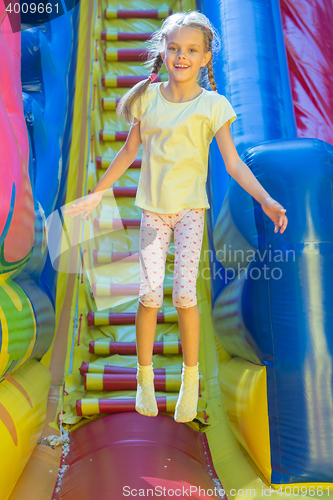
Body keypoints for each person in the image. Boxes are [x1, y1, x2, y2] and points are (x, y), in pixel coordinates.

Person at [63, 11, 288, 423]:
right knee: (149, 295)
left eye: (191, 50)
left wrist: (266, 199)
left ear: (206, 58)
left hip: (189, 213)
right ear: (163, 52)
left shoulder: (213, 106)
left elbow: (234, 164)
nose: (181, 56)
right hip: (153, 211)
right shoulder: (147, 98)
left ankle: (190, 378)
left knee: (184, 296)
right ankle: (143, 378)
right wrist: (96, 195)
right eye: (174, 49)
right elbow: (129, 152)